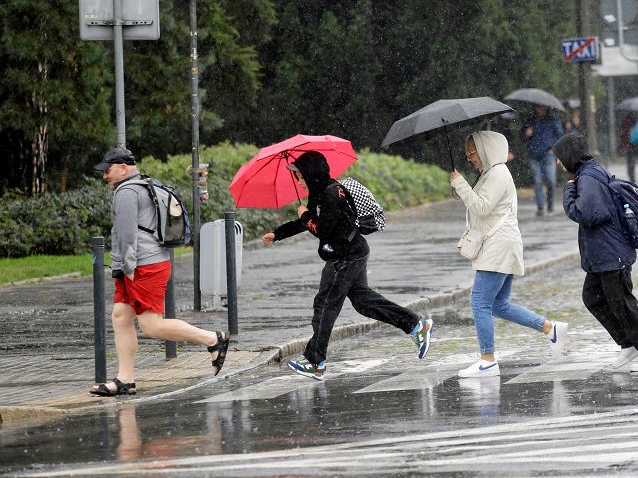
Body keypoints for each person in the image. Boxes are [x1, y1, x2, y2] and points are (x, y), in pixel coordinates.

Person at [262, 151, 433, 380]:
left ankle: (315, 361)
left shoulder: (331, 194)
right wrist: (278, 233)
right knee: (363, 303)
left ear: (311, 174)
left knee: (324, 307)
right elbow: (310, 222)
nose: (298, 181)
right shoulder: (321, 192)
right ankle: (415, 325)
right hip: (350, 253)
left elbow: (321, 229)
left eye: (299, 175)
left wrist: (304, 216)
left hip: (346, 257)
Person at [89, 147, 230, 397]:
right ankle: (125, 380)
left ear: (123, 168)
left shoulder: (126, 192)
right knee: (121, 317)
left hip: (143, 266)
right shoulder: (144, 184)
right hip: (145, 263)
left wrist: (129, 267)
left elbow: (127, 234)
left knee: (151, 326)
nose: (105, 176)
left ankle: (213, 339)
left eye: (107, 171)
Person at [450, 131, 567, 378]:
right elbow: (482, 206)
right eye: (467, 154)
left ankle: (488, 359)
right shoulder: (490, 174)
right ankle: (550, 328)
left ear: (484, 150)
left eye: (471, 152)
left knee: (479, 302)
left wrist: (460, 184)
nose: (469, 158)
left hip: (498, 247)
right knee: (498, 305)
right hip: (502, 245)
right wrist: (461, 187)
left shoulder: (497, 173)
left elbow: (481, 207)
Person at [552, 132, 638, 373]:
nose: (557, 162)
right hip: (603, 254)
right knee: (593, 297)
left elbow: (588, 214)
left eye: (559, 157)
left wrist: (568, 193)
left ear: (569, 156)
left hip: (611, 253)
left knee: (623, 304)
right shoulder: (589, 173)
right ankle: (628, 345)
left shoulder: (588, 179)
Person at [521, 105, 564, 216]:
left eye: (543, 108)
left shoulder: (553, 121)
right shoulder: (529, 121)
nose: (541, 110)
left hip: (548, 155)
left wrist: (553, 148)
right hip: (533, 155)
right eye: (539, 107)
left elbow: (561, 136)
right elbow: (521, 137)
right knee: (538, 181)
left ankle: (549, 204)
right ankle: (540, 207)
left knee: (551, 181)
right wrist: (526, 134)